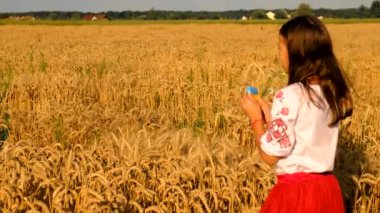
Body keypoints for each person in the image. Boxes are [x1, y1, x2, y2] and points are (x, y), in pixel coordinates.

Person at [240, 15, 353, 212]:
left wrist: (255, 118)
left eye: (280, 47)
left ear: (295, 53)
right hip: (327, 191)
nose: (278, 53)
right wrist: (269, 114)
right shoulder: (331, 92)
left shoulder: (289, 95)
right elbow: (301, 132)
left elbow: (270, 155)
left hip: (296, 195)